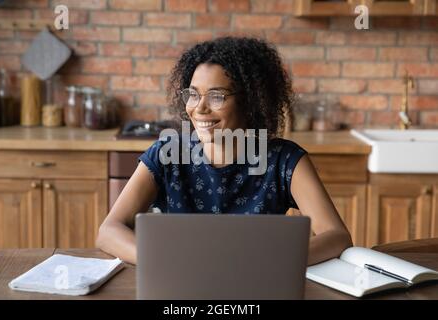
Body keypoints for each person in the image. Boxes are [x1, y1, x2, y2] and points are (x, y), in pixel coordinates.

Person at [96, 37, 352, 265]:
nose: (200, 108)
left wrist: (275, 260)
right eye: (193, 95)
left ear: (250, 101)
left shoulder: (285, 160)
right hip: (183, 285)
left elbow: (337, 236)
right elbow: (108, 231)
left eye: (217, 96)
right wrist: (161, 259)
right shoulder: (167, 153)